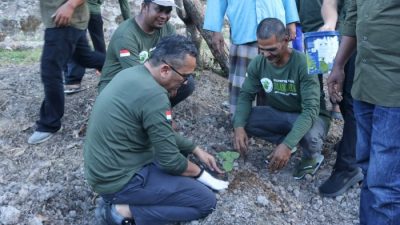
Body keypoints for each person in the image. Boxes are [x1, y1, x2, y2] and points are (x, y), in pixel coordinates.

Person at [84, 35, 229, 225]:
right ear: (165, 70)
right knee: (205, 201)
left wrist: (194, 149)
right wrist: (202, 175)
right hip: (118, 181)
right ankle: (120, 212)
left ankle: (123, 198)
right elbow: (171, 161)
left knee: (179, 162)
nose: (186, 82)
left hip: (104, 171)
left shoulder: (132, 73)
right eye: (185, 76)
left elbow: (162, 134)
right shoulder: (154, 95)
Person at [327, 1, 400, 224]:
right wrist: (339, 65)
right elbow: (352, 17)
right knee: (368, 171)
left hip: (394, 93)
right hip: (365, 84)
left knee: (384, 185)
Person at [233, 18, 330, 179]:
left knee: (311, 138)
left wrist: (286, 145)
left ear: (286, 40)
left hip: (311, 117)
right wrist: (238, 127)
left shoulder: (304, 64)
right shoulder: (259, 63)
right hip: (279, 113)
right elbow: (245, 95)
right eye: (261, 49)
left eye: (271, 49)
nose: (266, 54)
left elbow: (311, 111)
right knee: (241, 119)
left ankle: (311, 156)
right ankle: (291, 141)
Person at [296, 0, 363, 197]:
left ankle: (348, 165)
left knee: (354, 103)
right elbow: (330, 3)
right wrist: (331, 21)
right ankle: (355, 152)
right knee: (345, 98)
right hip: (342, 37)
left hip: (373, 47)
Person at [203, 0, 299, 115]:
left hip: (275, 26)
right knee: (243, 83)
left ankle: (276, 118)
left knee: (276, 80)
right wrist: (216, 30)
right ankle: (241, 121)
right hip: (244, 27)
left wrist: (291, 20)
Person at [28, 0, 105, 144]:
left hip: (65, 18)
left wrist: (71, 5)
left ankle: (49, 124)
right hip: (67, 18)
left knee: (50, 70)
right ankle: (121, 65)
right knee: (85, 57)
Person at [98, 0, 194, 107]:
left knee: (187, 83)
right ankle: (151, 114)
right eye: (159, 10)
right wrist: (166, 87)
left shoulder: (167, 28)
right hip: (118, 86)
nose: (164, 16)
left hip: (148, 77)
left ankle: (158, 111)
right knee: (149, 90)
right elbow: (137, 77)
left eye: (167, 12)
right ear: (144, 7)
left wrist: (175, 83)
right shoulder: (126, 35)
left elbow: (177, 59)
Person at [64, 0, 131, 94]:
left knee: (76, 44)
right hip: (92, 11)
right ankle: (107, 72)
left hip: (79, 11)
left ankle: (73, 81)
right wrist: (129, 22)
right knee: (98, 42)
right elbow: (124, 4)